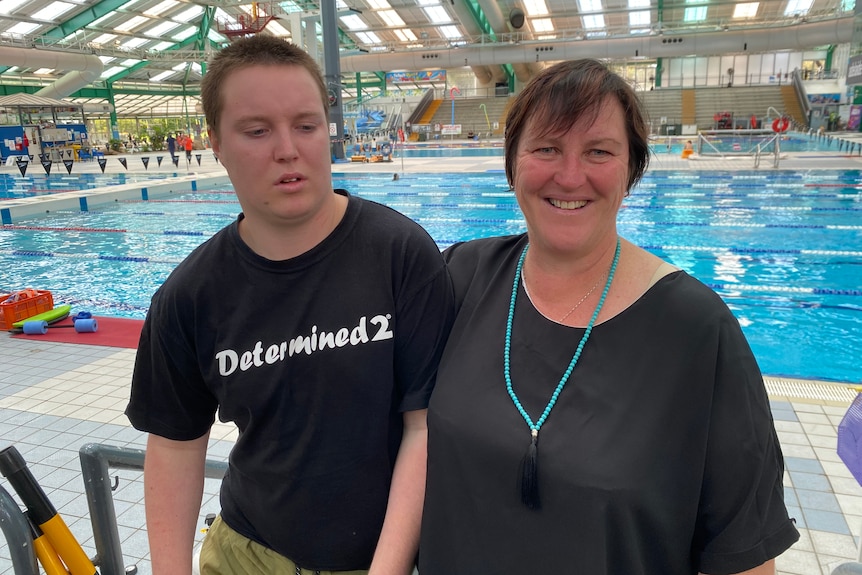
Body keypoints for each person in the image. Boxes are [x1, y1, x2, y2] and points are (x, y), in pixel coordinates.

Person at [419, 59, 799, 574]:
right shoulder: (462, 276)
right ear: (513, 164)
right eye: (546, 148)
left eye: (598, 151)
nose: (570, 176)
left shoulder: (697, 330)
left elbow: (744, 556)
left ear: (631, 171)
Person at [126, 35, 453, 575]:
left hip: (381, 557)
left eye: (306, 125)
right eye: (257, 131)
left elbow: (424, 429)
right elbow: (176, 446)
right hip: (247, 553)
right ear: (216, 143)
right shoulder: (190, 295)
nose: (288, 149)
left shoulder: (399, 254)